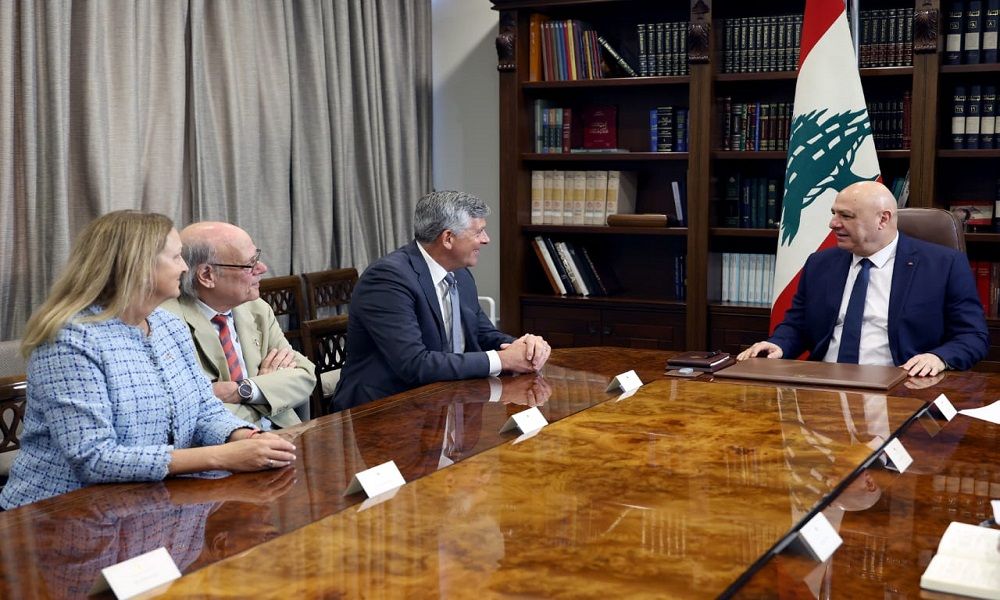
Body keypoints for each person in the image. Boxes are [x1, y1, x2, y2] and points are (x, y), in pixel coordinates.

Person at [0, 211, 296, 510]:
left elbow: (204, 410)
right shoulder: (68, 340)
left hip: (152, 502)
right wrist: (223, 456)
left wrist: (247, 437)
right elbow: (94, 458)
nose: (185, 267)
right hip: (59, 512)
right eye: (176, 257)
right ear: (138, 266)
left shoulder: (169, 326)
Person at [737, 181, 988, 376]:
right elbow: (797, 325)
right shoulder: (820, 263)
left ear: (883, 219)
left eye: (846, 216)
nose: (833, 224)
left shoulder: (943, 265)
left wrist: (938, 358)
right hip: (824, 384)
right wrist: (779, 344)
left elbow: (972, 336)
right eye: (834, 213)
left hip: (901, 384)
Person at [332, 190, 552, 411]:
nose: (486, 239)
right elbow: (414, 364)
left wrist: (524, 348)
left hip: (446, 401)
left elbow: (482, 334)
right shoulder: (387, 279)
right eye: (478, 232)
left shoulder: (460, 274)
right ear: (448, 238)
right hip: (385, 408)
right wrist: (503, 360)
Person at [162, 222, 315, 429]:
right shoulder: (168, 323)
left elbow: (304, 376)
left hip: (286, 431)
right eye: (250, 264)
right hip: (229, 441)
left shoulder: (256, 308)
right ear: (207, 275)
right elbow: (192, 409)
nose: (262, 268)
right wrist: (268, 389)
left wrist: (242, 391)